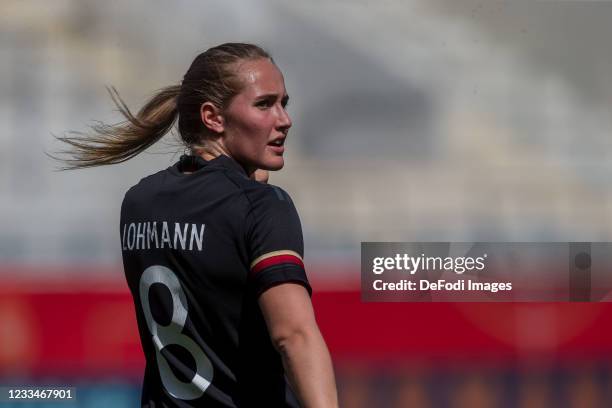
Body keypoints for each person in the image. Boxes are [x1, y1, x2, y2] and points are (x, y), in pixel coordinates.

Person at [56, 43, 338, 407]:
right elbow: (294, 336)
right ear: (213, 117)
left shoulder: (139, 201)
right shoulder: (263, 207)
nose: (284, 119)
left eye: (284, 103)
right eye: (264, 104)